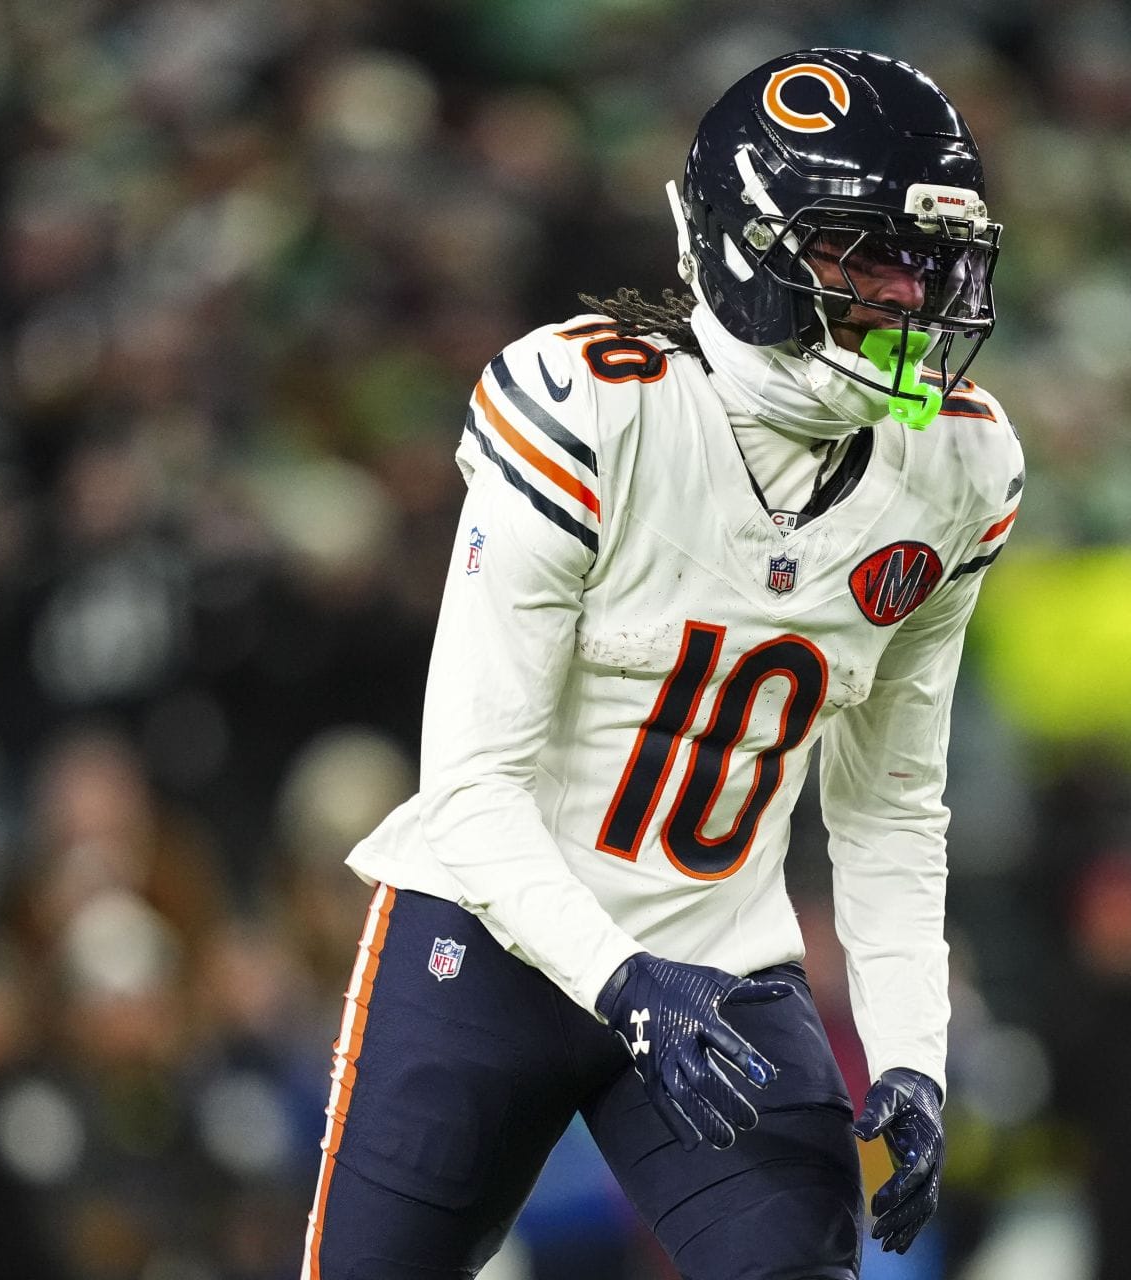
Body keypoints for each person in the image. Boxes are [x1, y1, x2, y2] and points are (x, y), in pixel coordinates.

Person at [299, 48, 1022, 1279]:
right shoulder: (593, 405)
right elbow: (469, 787)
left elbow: (890, 803)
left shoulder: (955, 467)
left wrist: (911, 1048)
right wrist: (620, 979)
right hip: (488, 943)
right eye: (866, 254)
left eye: (927, 259)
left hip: (717, 958)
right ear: (749, 250)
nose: (910, 294)